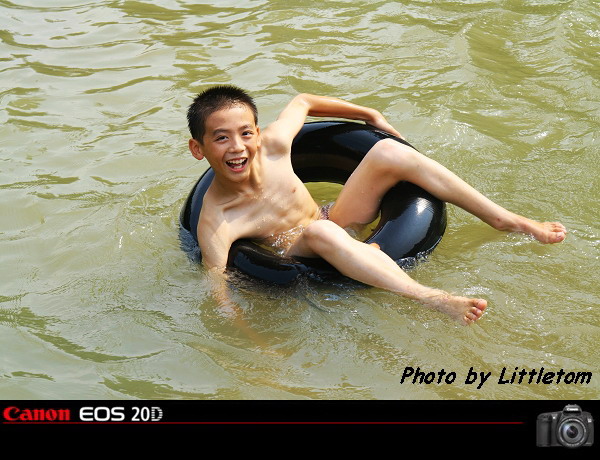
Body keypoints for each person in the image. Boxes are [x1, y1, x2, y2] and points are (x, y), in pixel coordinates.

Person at [186, 85, 566, 325]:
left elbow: (302, 101)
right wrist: (256, 346)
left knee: (386, 151)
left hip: (331, 218)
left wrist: (369, 116)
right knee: (320, 231)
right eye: (221, 138)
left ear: (257, 132)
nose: (237, 147)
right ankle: (431, 298)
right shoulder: (218, 219)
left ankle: (503, 219)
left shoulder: (273, 146)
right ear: (198, 149)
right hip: (300, 250)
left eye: (245, 133)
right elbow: (217, 288)